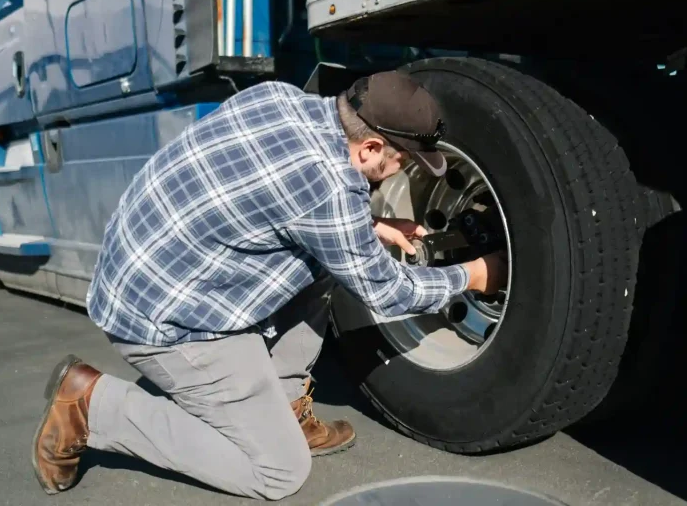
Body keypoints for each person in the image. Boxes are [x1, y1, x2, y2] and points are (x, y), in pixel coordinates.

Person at [31, 71, 508, 500]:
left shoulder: (280, 97)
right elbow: (388, 292)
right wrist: (474, 275)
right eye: (402, 162)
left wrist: (371, 222)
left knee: (330, 262)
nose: (402, 171)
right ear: (369, 149)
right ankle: (94, 407)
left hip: (147, 271)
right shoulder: (329, 187)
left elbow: (277, 192)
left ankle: (281, 408)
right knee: (279, 472)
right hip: (163, 323)